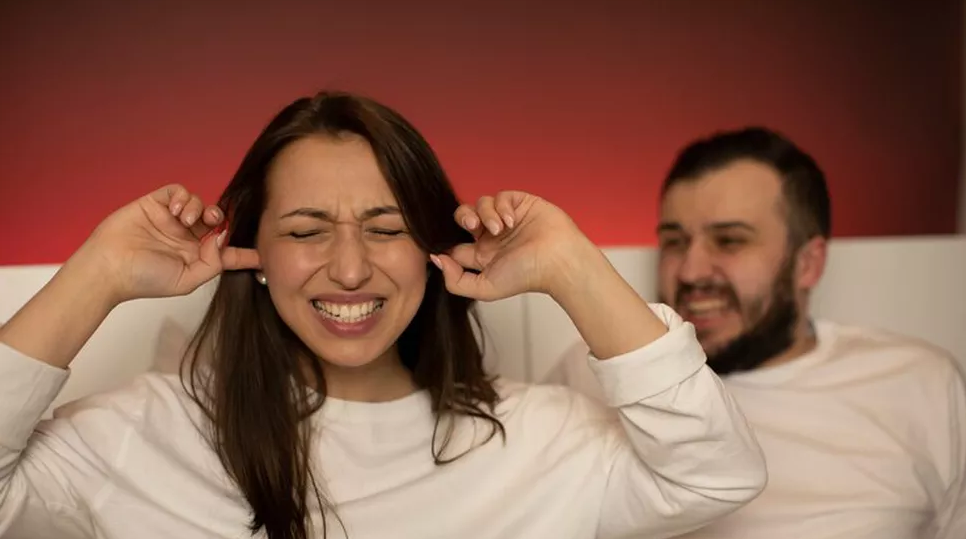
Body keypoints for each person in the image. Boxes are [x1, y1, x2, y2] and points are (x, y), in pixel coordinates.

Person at [0, 92, 767, 539]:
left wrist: (571, 264)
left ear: (431, 247)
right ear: (254, 254)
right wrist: (99, 272)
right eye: (305, 231)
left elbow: (717, 474)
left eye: (387, 227)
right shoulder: (143, 432)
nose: (349, 268)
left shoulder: (539, 438)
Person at [544, 126, 966, 538]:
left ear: (807, 263)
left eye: (729, 241)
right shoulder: (599, 368)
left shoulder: (918, 382)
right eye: (674, 241)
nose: (690, 272)